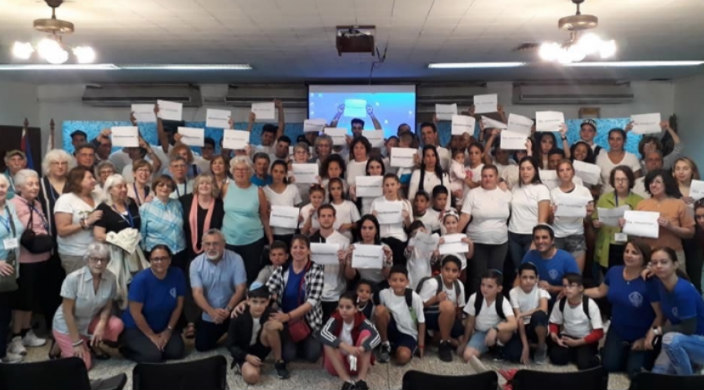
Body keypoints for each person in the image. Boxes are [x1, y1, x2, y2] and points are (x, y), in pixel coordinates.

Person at [584, 240, 659, 378]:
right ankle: (622, 351)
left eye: (634, 253)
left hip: (641, 333)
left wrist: (646, 337)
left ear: (644, 257)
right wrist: (579, 292)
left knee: (635, 373)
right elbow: (600, 291)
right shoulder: (614, 271)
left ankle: (639, 353)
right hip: (618, 329)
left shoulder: (650, 280)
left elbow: (660, 315)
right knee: (609, 366)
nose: (629, 255)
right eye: (627, 251)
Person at [51, 243, 124, 370]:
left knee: (116, 325)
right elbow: (67, 312)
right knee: (83, 366)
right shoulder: (73, 279)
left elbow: (108, 305)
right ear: (87, 260)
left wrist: (101, 324)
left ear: (107, 262)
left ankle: (88, 342)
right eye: (95, 259)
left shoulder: (111, 278)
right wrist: (76, 342)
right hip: (67, 324)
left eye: (103, 260)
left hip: (89, 320)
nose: (99, 263)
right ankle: (60, 345)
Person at [7, 170, 50, 357]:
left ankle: (27, 332)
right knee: (21, 301)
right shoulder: (13, 205)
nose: (34, 187)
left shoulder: (38, 203)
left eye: (36, 184)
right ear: (18, 188)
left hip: (41, 258)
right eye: (29, 184)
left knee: (31, 299)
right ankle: (16, 337)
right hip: (25, 260)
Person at [120, 245, 186, 363]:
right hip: (137, 327)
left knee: (177, 352)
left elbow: (178, 306)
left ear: (170, 260)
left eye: (163, 258)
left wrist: (168, 330)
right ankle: (125, 347)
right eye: (155, 259)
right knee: (153, 357)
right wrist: (152, 336)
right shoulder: (140, 280)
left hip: (163, 325)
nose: (159, 262)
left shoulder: (177, 274)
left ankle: (154, 345)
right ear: (150, 261)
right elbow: (135, 313)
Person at [265, 234, 324, 362]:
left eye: (302, 247)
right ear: (290, 251)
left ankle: (301, 342)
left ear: (308, 250)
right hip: (285, 321)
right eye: (295, 247)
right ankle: (290, 342)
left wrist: (289, 316)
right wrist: (246, 302)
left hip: (307, 322)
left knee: (313, 356)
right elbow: (266, 290)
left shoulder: (316, 270)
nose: (298, 250)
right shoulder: (282, 269)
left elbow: (311, 302)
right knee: (288, 356)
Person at [648, 247, 704, 375]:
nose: (659, 266)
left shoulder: (683, 291)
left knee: (669, 340)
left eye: (664, 262)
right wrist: (645, 271)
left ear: (675, 265)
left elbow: (689, 328)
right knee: (657, 375)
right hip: (682, 340)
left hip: (697, 340)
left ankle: (688, 382)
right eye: (654, 263)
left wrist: (656, 331)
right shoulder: (661, 284)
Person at [190, 229, 247, 351]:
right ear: (203, 245)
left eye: (215, 243)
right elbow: (197, 293)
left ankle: (231, 333)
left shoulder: (236, 259)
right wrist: (212, 312)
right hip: (211, 313)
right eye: (207, 244)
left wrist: (228, 309)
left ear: (223, 244)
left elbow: (240, 288)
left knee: (243, 345)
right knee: (202, 346)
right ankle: (200, 322)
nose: (211, 247)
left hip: (233, 311)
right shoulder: (195, 264)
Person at [459, 164, 512, 295]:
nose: (487, 179)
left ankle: (495, 307)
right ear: (481, 178)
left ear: (497, 177)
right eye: (484, 176)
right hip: (477, 242)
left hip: (500, 243)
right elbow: (465, 216)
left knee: (496, 276)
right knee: (478, 276)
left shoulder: (506, 194)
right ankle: (475, 308)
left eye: (491, 176)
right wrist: (451, 236)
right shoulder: (473, 194)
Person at [222, 156, 273, 284]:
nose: (240, 172)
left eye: (244, 170)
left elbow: (264, 216)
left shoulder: (258, 191)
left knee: (250, 275)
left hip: (253, 241)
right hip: (229, 240)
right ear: (232, 171)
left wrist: (270, 238)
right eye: (237, 169)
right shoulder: (226, 188)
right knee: (230, 276)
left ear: (251, 172)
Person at [226, 282, 289, 384]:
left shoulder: (271, 312)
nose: (258, 306)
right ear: (248, 301)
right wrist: (246, 356)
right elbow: (230, 344)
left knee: (270, 325)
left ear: (267, 302)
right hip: (244, 351)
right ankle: (245, 366)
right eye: (255, 302)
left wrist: (281, 326)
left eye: (262, 302)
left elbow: (287, 336)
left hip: (261, 349)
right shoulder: (238, 315)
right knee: (252, 377)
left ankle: (279, 362)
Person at [319, 291, 380, 390]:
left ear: (356, 309)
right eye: (341, 307)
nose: (343, 310)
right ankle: (347, 382)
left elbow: (377, 336)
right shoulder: (335, 318)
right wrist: (345, 346)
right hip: (337, 366)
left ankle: (361, 381)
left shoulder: (361, 319)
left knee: (367, 335)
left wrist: (362, 348)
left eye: (348, 307)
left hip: (356, 363)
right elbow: (323, 333)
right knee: (327, 341)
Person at [459, 269, 520, 368]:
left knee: (507, 328)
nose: (485, 289)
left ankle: (499, 347)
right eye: (482, 285)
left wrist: (496, 329)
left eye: (490, 286)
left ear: (499, 288)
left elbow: (513, 323)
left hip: (498, 333)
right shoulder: (475, 298)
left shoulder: (502, 301)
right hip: (481, 332)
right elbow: (470, 322)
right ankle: (488, 347)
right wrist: (465, 341)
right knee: (467, 356)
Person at [636, 169, 695, 268]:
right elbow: (635, 233)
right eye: (651, 182)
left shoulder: (679, 204)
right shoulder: (641, 204)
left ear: (666, 184)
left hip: (674, 255)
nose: (653, 185)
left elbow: (690, 233)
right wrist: (627, 225)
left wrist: (670, 227)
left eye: (658, 182)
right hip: (648, 255)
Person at [548, 273, 604, 369]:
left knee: (584, 365)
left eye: (571, 286)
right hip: (567, 337)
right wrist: (554, 335)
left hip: (585, 340)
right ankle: (576, 354)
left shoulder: (590, 304)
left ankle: (586, 355)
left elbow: (599, 333)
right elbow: (554, 323)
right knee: (555, 358)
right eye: (565, 286)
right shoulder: (560, 303)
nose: (567, 289)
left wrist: (577, 343)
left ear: (580, 288)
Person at [592, 165, 643, 272]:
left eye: (624, 179)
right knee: (609, 276)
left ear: (630, 181)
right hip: (607, 244)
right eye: (617, 179)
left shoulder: (639, 201)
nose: (620, 182)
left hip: (629, 245)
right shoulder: (604, 198)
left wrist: (629, 224)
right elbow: (594, 218)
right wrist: (595, 222)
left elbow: (642, 227)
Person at [417, 255, 466, 362]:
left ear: (459, 273)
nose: (450, 273)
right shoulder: (432, 283)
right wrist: (435, 299)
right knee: (448, 306)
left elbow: (460, 309)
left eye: (454, 271)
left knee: (463, 344)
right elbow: (418, 305)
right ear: (441, 269)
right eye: (447, 269)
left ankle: (443, 337)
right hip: (430, 317)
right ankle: (444, 343)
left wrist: (461, 328)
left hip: (449, 318)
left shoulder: (459, 286)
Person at [54, 167, 103, 274]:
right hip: (76, 254)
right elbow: (62, 230)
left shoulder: (97, 197)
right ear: (78, 181)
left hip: (96, 251)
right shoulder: (66, 200)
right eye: (89, 178)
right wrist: (86, 222)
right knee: (80, 288)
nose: (94, 180)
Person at [374, 265, 426, 365]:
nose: (398, 283)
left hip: (408, 333)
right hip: (392, 329)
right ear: (389, 281)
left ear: (407, 282)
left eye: (401, 280)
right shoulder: (383, 294)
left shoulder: (414, 297)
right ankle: (385, 344)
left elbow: (421, 322)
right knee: (379, 310)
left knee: (403, 357)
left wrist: (421, 345)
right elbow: (380, 315)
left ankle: (397, 348)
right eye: (394, 280)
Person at [508, 157, 551, 271]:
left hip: (531, 235)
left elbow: (543, 219)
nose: (525, 172)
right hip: (513, 234)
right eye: (522, 169)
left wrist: (536, 240)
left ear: (535, 171)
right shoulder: (516, 187)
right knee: (518, 269)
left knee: (530, 269)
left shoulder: (541, 189)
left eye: (529, 168)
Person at [551, 160, 594, 272]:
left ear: (573, 172)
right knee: (557, 273)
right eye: (561, 170)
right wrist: (552, 212)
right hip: (557, 236)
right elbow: (549, 219)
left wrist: (589, 213)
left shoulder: (584, 191)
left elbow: (589, 217)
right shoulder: (553, 193)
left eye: (568, 169)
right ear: (558, 174)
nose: (565, 173)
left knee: (576, 275)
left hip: (577, 235)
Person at [309, 205, 350, 320]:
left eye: (329, 216)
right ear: (318, 219)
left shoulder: (344, 241)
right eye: (323, 216)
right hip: (314, 293)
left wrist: (345, 261)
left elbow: (348, 274)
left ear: (334, 218)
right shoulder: (310, 240)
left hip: (335, 294)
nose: (326, 219)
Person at [0, 174, 24, 363]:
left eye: (3, 186)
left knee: (4, 313)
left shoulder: (9, 207)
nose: (0, 189)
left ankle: (2, 353)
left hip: (10, 267)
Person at [521, 225, 580, 300]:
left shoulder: (567, 259)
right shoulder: (530, 256)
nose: (540, 241)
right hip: (534, 300)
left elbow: (576, 287)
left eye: (544, 237)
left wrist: (552, 288)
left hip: (560, 301)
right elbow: (518, 279)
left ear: (552, 240)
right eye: (537, 238)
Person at [139, 175, 187, 269]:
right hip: (157, 255)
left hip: (179, 251)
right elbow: (142, 232)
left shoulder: (177, 204)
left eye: (168, 186)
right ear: (155, 188)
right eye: (161, 185)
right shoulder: (146, 207)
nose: (165, 188)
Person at [509, 262, 550, 365]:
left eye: (532, 278)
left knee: (539, 315)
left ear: (537, 278)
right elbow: (519, 320)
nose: (528, 281)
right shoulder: (513, 292)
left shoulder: (541, 291)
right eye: (524, 277)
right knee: (514, 356)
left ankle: (541, 347)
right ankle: (529, 345)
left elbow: (543, 309)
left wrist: (523, 314)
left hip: (538, 326)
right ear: (519, 277)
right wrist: (525, 346)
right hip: (522, 327)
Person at [371, 174, 412, 265]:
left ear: (398, 185)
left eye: (392, 184)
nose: (390, 188)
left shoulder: (405, 203)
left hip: (400, 239)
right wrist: (373, 218)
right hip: (382, 239)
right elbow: (371, 225)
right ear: (383, 187)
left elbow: (410, 228)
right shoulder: (376, 202)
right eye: (387, 185)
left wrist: (407, 218)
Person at [344, 215, 394, 290]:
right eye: (364, 228)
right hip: (359, 285)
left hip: (379, 285)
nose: (367, 231)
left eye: (370, 228)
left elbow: (387, 276)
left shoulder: (384, 248)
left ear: (376, 230)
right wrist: (349, 261)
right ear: (360, 230)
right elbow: (350, 276)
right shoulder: (354, 247)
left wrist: (388, 260)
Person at [264, 160, 302, 244]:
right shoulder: (264, 191)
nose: (278, 174)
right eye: (275, 171)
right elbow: (263, 213)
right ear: (271, 172)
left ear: (285, 174)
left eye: (281, 172)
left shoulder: (293, 188)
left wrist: (298, 216)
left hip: (291, 232)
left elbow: (297, 208)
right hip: (273, 233)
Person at [596, 128, 642, 193]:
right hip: (606, 198)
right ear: (608, 140)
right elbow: (597, 183)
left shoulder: (632, 158)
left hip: (627, 198)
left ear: (624, 141)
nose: (615, 142)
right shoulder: (600, 158)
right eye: (612, 139)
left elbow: (637, 182)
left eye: (618, 139)